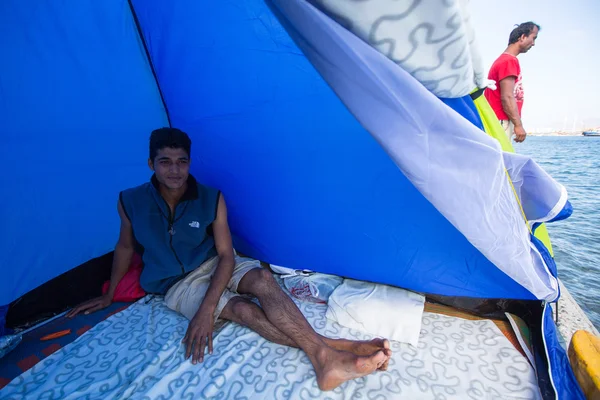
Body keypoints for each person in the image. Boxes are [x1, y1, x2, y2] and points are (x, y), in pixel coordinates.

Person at [67, 127, 391, 391]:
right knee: (241, 309)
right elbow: (125, 248)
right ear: (151, 164)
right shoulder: (130, 201)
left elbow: (225, 255)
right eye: (165, 162)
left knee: (264, 280)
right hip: (175, 282)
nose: (175, 170)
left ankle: (326, 356)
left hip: (215, 261)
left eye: (182, 161)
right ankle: (333, 349)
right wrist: (109, 294)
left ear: (190, 162)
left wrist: (207, 309)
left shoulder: (211, 198)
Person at [484, 21, 540, 143]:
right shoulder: (509, 61)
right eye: (533, 38)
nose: (533, 43)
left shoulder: (504, 60)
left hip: (498, 120)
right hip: (500, 121)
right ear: (523, 37)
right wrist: (518, 125)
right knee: (499, 158)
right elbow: (507, 96)